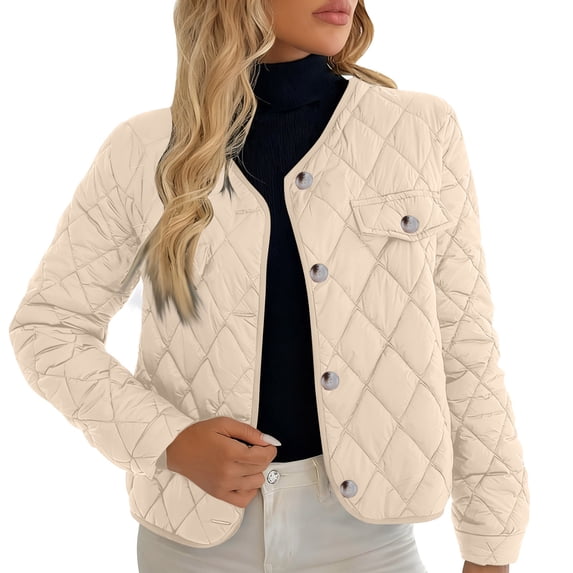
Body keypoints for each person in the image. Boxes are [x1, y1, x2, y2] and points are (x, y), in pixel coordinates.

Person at [8, 1, 530, 572]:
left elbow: (465, 345)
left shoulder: (418, 129)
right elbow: (48, 327)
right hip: (191, 538)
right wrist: (168, 440)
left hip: (366, 543)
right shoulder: (144, 147)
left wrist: (491, 547)